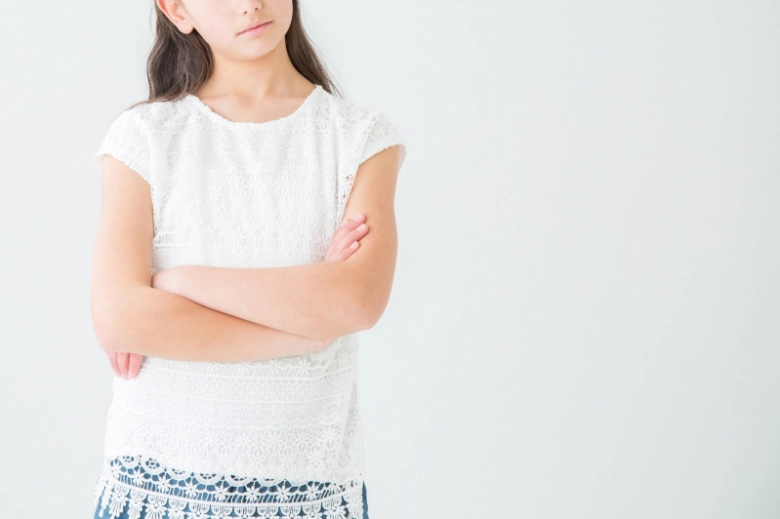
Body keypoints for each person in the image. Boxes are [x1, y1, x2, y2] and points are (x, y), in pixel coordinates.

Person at [89, 1, 407, 518]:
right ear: (177, 10)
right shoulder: (144, 137)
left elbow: (356, 300)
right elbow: (119, 317)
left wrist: (175, 282)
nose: (249, 4)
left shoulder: (359, 139)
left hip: (308, 495)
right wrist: (307, 333)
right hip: (157, 489)